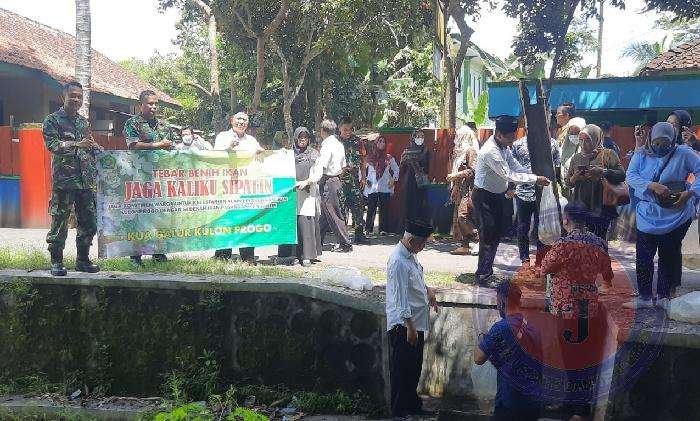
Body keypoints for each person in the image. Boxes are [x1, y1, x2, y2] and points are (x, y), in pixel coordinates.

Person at [539, 202, 613, 420]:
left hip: (567, 309)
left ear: (566, 220)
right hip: (589, 308)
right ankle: (574, 405)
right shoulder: (599, 243)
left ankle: (579, 410)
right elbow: (607, 273)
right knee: (583, 358)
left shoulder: (562, 245)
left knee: (572, 359)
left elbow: (544, 269)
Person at [625, 122, 700, 309]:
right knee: (644, 257)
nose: (660, 147)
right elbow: (631, 176)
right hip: (648, 213)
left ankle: (663, 296)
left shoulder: (683, 154)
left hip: (676, 213)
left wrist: (690, 193)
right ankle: (644, 297)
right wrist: (652, 185)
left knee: (668, 255)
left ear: (672, 141)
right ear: (651, 140)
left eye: (665, 143)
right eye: (656, 143)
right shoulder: (641, 154)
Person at [472, 115, 550, 287]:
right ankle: (482, 276)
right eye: (510, 137)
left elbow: (515, 165)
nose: (513, 140)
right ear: (499, 134)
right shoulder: (491, 151)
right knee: (488, 237)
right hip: (484, 197)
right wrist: (535, 179)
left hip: (497, 196)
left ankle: (487, 272)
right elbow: (509, 175)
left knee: (496, 235)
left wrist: (533, 176)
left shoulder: (503, 147)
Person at [43, 81, 102, 276]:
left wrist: (96, 148)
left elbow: (88, 145)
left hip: (85, 181)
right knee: (60, 222)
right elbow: (53, 145)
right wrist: (78, 144)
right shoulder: (52, 120)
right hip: (64, 181)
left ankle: (82, 260)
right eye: (73, 96)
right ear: (63, 97)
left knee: (89, 222)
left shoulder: (83, 122)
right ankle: (56, 262)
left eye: (79, 96)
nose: (76, 99)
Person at [386, 220, 438, 419]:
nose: (423, 247)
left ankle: (412, 405)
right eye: (422, 243)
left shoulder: (411, 255)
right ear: (410, 241)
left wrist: (428, 290)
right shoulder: (398, 261)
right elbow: (400, 298)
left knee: (414, 368)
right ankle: (398, 411)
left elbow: (416, 280)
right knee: (401, 369)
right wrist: (410, 327)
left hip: (416, 322)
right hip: (404, 325)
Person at [474, 280, 542, 421]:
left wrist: (481, 337)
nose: (497, 306)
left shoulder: (500, 328)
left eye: (497, 301)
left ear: (502, 301)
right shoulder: (534, 327)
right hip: (534, 404)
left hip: (509, 404)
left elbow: (478, 358)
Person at [123, 90, 174, 267]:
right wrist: (158, 145)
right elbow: (132, 145)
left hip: (161, 177)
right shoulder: (132, 123)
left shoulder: (164, 125)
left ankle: (158, 253)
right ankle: (135, 256)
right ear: (141, 105)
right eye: (150, 104)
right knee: (139, 215)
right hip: (140, 177)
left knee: (160, 214)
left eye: (155, 104)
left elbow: (171, 147)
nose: (153, 107)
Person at [212, 111, 264, 263]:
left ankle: (248, 258)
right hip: (227, 186)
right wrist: (228, 148)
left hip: (246, 187)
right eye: (238, 119)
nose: (241, 122)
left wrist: (262, 153)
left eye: (244, 119)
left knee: (247, 220)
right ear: (231, 120)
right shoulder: (223, 137)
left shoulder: (252, 140)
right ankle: (222, 256)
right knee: (226, 220)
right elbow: (214, 158)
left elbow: (259, 156)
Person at [296, 119, 353, 252]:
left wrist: (309, 181)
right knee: (324, 214)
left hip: (328, 181)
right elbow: (343, 166)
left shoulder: (327, 145)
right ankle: (317, 243)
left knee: (333, 213)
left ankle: (345, 244)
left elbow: (321, 167)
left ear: (322, 131)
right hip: (336, 180)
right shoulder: (339, 144)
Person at [565, 124, 626, 242]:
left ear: (596, 139)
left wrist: (602, 171)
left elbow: (621, 175)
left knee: (599, 241)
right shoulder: (576, 158)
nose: (583, 144)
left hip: (602, 207)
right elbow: (568, 183)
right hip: (581, 207)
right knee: (581, 243)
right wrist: (575, 177)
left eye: (587, 140)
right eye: (581, 140)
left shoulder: (608, 154)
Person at [511, 131, 561, 266]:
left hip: (544, 194)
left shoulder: (553, 144)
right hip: (523, 192)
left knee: (542, 227)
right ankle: (524, 259)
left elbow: (557, 168)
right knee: (523, 226)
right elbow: (512, 168)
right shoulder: (518, 144)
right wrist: (512, 187)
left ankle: (541, 260)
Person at [277, 127, 322, 266]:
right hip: (290, 194)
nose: (303, 140)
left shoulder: (314, 154)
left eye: (305, 137)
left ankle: (306, 255)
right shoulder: (288, 154)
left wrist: (307, 182)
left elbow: (318, 172)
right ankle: (289, 255)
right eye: (300, 137)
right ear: (296, 138)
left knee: (305, 222)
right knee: (290, 222)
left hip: (307, 193)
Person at [446, 125, 480, 255]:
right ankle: (465, 245)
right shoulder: (459, 153)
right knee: (460, 218)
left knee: (463, 216)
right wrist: (455, 187)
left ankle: (478, 239)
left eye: (459, 136)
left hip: (469, 189)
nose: (457, 138)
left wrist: (455, 176)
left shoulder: (471, 151)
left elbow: (472, 171)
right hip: (461, 189)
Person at [338, 117, 369, 244]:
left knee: (358, 207)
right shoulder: (336, 142)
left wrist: (364, 177)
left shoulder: (358, 142)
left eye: (350, 129)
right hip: (340, 180)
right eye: (345, 129)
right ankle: (343, 237)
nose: (348, 132)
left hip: (354, 180)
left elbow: (363, 160)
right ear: (340, 128)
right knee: (342, 209)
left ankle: (359, 234)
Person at [364, 136, 399, 236]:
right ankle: (368, 229)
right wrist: (364, 179)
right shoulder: (369, 158)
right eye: (379, 141)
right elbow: (361, 170)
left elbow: (396, 169)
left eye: (383, 142)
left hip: (385, 185)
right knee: (371, 208)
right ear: (375, 143)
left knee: (385, 208)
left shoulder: (389, 158)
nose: (382, 144)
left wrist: (393, 179)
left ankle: (383, 229)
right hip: (372, 186)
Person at [396, 129, 430, 233]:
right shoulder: (407, 151)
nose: (420, 138)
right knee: (409, 204)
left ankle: (418, 230)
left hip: (420, 182)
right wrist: (403, 161)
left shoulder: (426, 151)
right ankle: (407, 230)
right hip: (409, 181)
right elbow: (402, 168)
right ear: (413, 138)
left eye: (422, 136)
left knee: (420, 205)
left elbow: (427, 168)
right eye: (418, 136)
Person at [558, 116, 587, 199]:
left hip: (582, 192)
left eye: (577, 133)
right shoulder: (562, 148)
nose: (574, 136)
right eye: (571, 133)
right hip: (564, 191)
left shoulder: (588, 149)